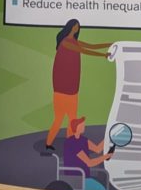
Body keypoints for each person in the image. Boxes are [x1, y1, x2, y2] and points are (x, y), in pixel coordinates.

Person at [45, 19, 110, 150]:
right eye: (75, 26)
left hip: (73, 89)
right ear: (70, 27)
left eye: (78, 27)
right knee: (59, 119)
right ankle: (49, 143)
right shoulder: (66, 43)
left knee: (72, 120)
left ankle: (69, 144)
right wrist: (103, 55)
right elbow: (86, 51)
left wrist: (111, 44)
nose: (77, 28)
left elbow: (91, 46)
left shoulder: (74, 42)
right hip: (62, 90)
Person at [62, 116, 113, 190]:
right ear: (76, 127)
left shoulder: (84, 140)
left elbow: (97, 149)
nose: (84, 126)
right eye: (81, 125)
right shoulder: (72, 142)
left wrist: (108, 137)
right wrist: (106, 156)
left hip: (84, 177)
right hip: (77, 178)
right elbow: (89, 163)